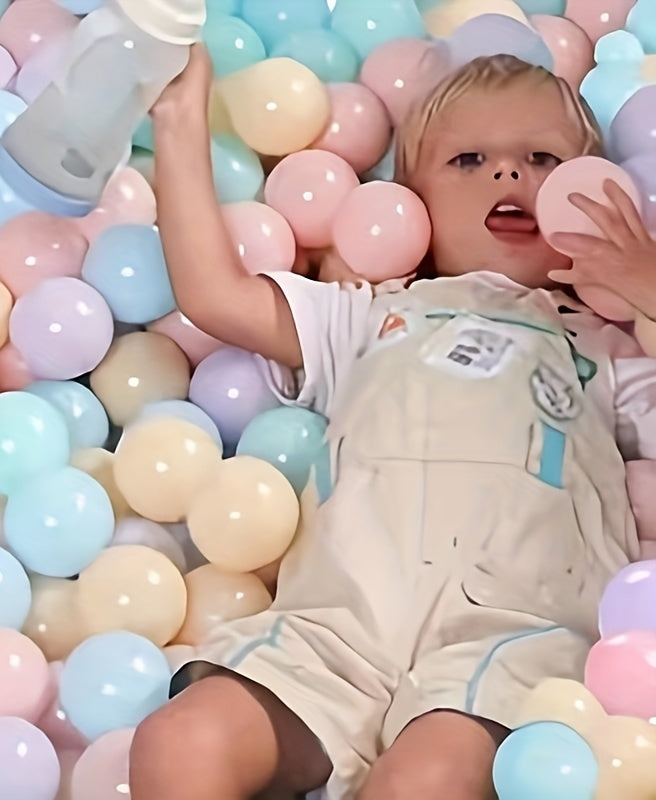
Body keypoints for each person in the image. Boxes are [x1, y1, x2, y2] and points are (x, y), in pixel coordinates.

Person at [130, 45, 656, 800]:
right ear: (412, 205)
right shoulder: (371, 315)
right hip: (335, 628)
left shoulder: (605, 350)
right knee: (180, 740)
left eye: (542, 160)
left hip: (510, 638)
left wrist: (646, 284)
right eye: (469, 160)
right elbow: (216, 295)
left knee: (424, 782)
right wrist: (178, 118)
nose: (508, 175)